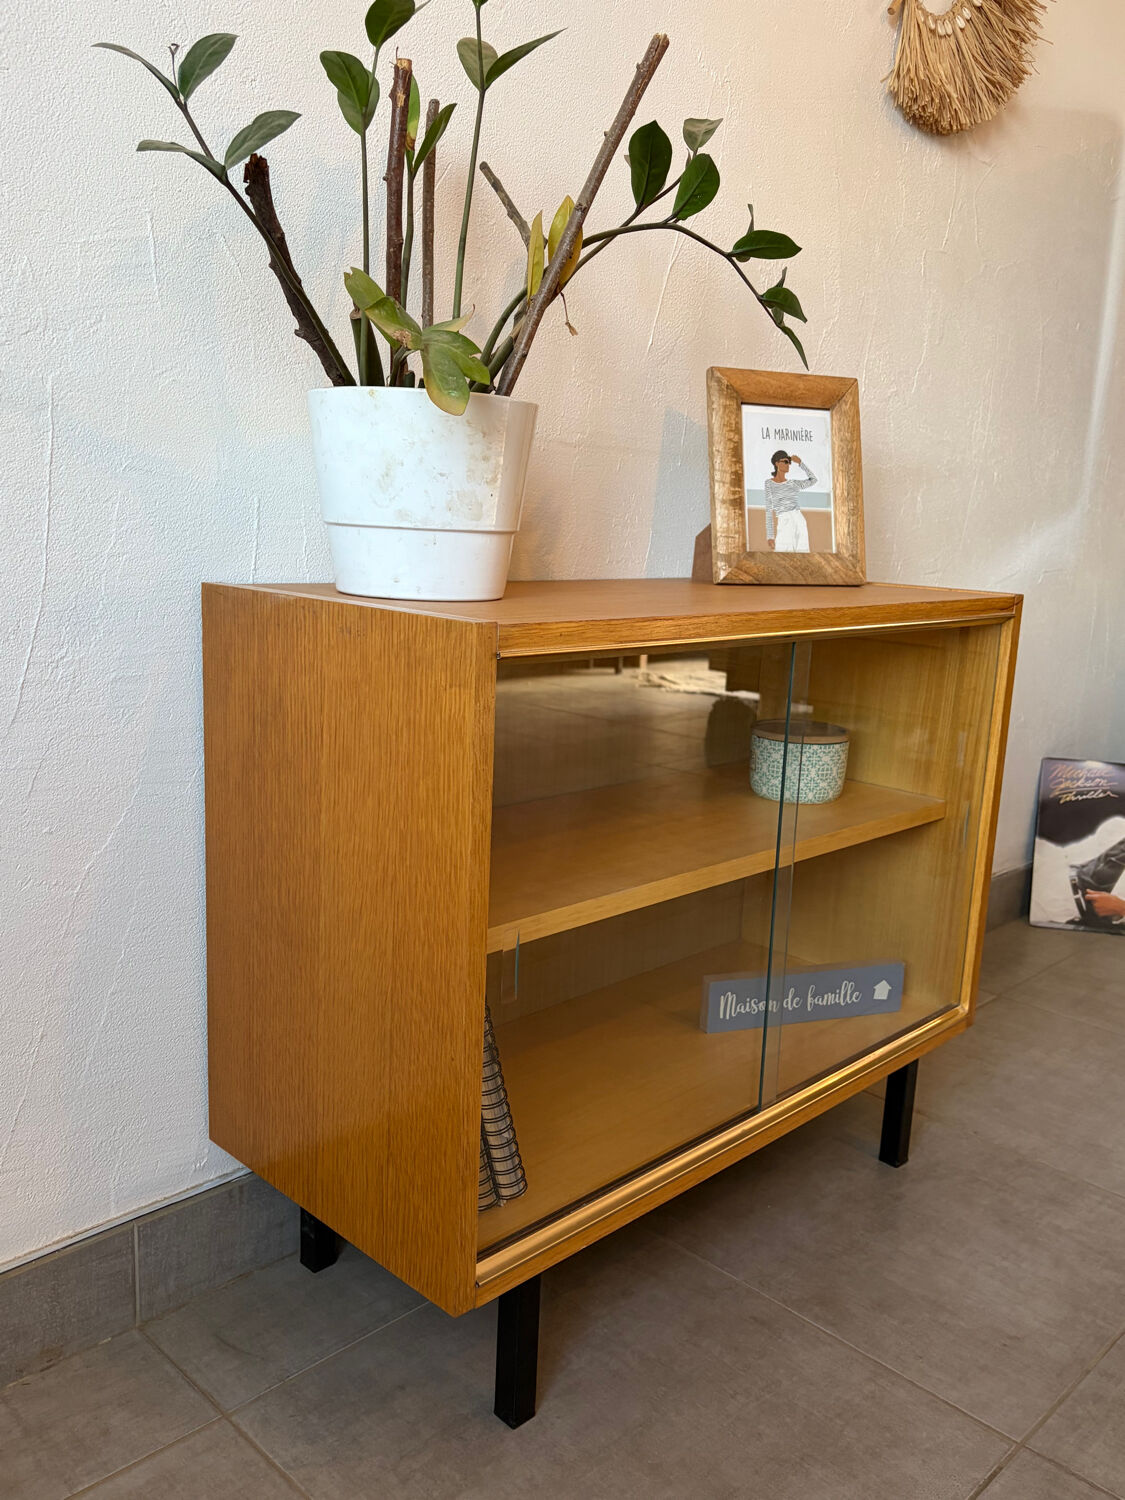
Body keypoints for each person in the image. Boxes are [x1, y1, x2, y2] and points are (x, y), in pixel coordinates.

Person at [764, 451, 817, 552]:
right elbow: (769, 510)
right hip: (784, 520)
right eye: (785, 461)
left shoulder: (793, 483)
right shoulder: (769, 483)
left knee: (803, 555)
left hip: (798, 518)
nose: (788, 464)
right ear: (777, 463)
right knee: (782, 556)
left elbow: (813, 480)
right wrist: (770, 536)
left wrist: (801, 463)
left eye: (789, 462)